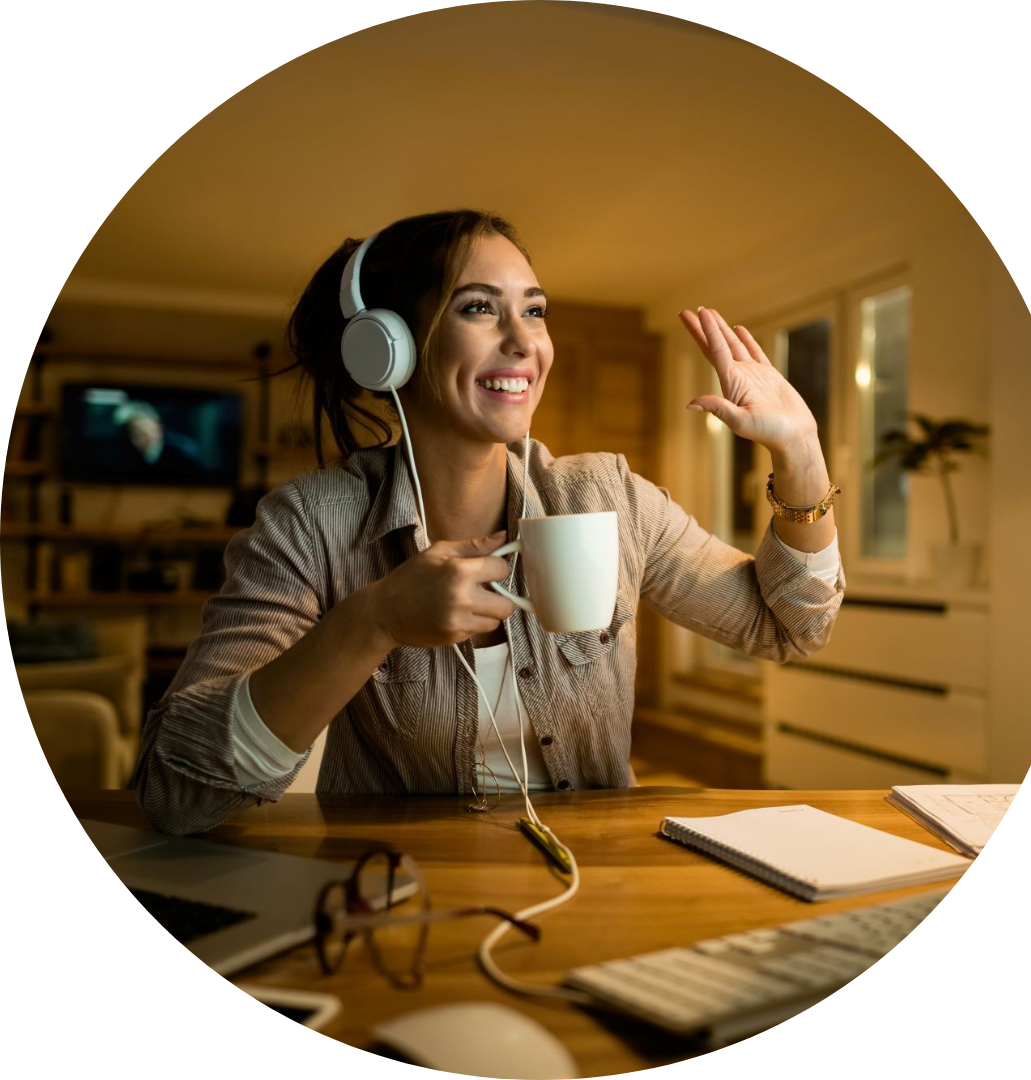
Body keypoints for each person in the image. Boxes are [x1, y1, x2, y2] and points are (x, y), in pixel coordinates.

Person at [130, 209, 844, 836]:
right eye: (478, 308)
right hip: (395, 889)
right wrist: (371, 622)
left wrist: (801, 449)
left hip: (599, 884)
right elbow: (178, 794)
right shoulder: (309, 525)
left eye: (534, 311)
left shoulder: (609, 496)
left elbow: (790, 627)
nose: (523, 341)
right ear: (389, 349)